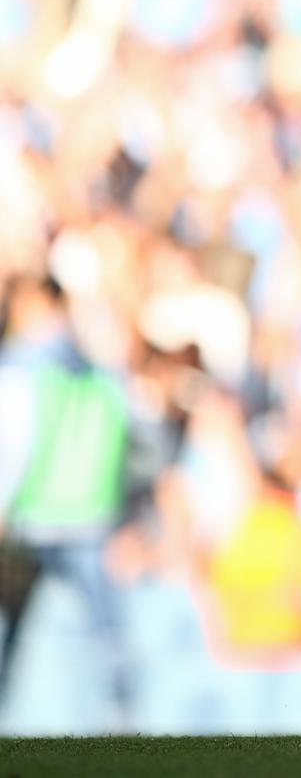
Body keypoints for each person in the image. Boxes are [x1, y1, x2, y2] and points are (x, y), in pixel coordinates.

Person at [0, 275, 135, 730]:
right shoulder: (100, 365)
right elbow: (132, 436)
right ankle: (120, 721)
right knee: (103, 635)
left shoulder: (22, 366)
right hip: (92, 514)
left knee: (12, 632)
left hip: (35, 517)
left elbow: (14, 443)